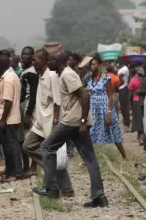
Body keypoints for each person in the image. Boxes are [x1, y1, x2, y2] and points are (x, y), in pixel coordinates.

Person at [34, 51, 108, 207]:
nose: (49, 63)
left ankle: (51, 188)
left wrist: (82, 122)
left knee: (46, 147)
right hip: (76, 120)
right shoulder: (64, 74)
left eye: (51, 60)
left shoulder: (67, 75)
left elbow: (85, 96)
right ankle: (99, 197)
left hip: (73, 121)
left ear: (58, 61)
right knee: (90, 159)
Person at [22, 50, 74, 197]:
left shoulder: (51, 76)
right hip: (40, 122)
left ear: (44, 60)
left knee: (50, 153)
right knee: (28, 146)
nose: (33, 63)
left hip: (50, 122)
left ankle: (66, 188)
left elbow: (57, 102)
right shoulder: (41, 76)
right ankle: (55, 174)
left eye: (35, 60)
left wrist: (56, 123)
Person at [87, 55, 127, 160]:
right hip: (94, 108)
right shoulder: (89, 79)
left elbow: (110, 95)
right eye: (90, 64)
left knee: (113, 130)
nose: (91, 66)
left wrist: (109, 112)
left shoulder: (106, 78)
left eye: (93, 64)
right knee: (92, 132)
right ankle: (93, 158)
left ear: (99, 65)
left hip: (105, 107)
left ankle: (124, 156)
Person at [0, 54, 23, 182]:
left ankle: (16, 173)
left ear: (1, 64)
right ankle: (10, 171)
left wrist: (2, 119)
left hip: (8, 118)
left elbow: (8, 101)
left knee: (12, 146)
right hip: (10, 118)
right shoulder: (10, 76)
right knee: (9, 146)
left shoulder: (8, 79)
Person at [20, 46, 39, 177]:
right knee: (23, 138)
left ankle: (34, 166)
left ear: (32, 57)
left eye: (27, 54)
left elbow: (33, 96)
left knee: (29, 138)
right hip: (23, 107)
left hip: (29, 109)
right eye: (23, 54)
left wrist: (27, 115)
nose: (23, 57)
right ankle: (26, 166)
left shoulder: (31, 74)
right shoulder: (24, 71)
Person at [117, 60, 131, 131]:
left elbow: (119, 79)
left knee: (124, 107)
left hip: (123, 88)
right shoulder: (124, 69)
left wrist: (117, 85)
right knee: (124, 107)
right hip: (123, 88)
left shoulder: (124, 69)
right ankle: (126, 123)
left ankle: (126, 124)